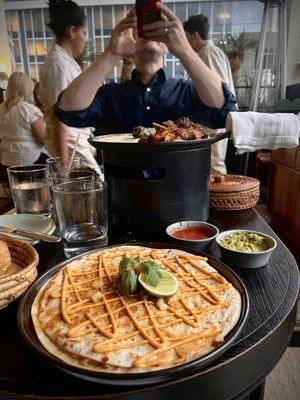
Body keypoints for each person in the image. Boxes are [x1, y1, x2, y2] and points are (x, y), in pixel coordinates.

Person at [55, 4, 236, 147]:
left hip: (179, 186)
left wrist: (185, 51)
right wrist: (112, 53)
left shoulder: (185, 90)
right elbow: (69, 112)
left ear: (166, 46)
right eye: (141, 28)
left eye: (157, 27)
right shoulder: (112, 94)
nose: (149, 32)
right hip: (124, 189)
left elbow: (225, 113)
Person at [39, 0, 99, 172]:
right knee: (93, 190)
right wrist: (64, 164)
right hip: (70, 143)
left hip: (74, 140)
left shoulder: (63, 61)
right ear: (72, 31)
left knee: (88, 193)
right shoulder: (59, 64)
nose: (86, 39)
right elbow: (61, 116)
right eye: (85, 32)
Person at [183, 14, 236, 174]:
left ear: (194, 35)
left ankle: (219, 200)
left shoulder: (209, 54)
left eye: (186, 36)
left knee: (214, 164)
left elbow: (217, 94)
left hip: (214, 122)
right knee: (210, 164)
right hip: (211, 121)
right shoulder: (209, 53)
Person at [0, 72, 47, 169]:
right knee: (57, 162)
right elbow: (43, 139)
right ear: (28, 89)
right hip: (30, 160)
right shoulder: (27, 109)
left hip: (7, 161)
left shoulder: (1, 109)